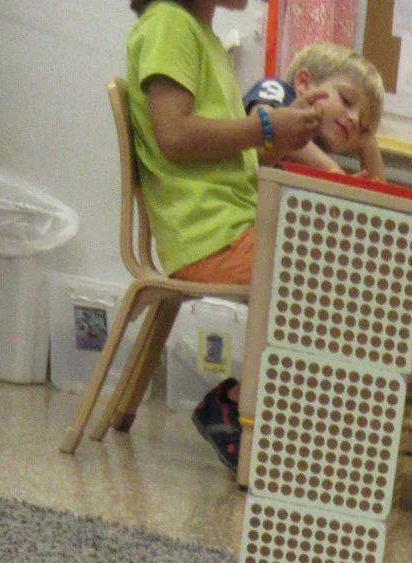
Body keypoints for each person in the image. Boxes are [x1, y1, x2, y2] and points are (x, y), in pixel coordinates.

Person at [126, 0, 319, 471]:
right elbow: (174, 135)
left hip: (224, 225)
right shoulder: (170, 24)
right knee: (323, 281)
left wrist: (276, 141)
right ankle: (236, 404)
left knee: (326, 266)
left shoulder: (202, 36)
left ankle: (267, 412)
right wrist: (266, 126)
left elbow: (227, 157)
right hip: (209, 234)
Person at [243, 41, 386, 180]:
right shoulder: (278, 90)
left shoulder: (321, 148)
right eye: (346, 100)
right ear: (304, 83)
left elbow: (380, 199)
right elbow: (267, 124)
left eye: (361, 123)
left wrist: (368, 142)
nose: (354, 119)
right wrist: (334, 172)